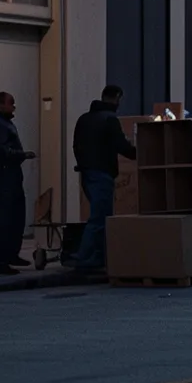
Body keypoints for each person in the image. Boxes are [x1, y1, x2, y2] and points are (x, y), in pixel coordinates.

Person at [72, 85, 138, 274]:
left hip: (86, 173)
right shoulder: (110, 120)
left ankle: (98, 258)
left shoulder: (84, 119)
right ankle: (84, 258)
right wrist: (141, 152)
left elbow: (76, 146)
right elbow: (122, 146)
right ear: (117, 98)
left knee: (99, 216)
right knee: (99, 218)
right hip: (102, 173)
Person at [0, 91, 37, 276]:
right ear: (0, 105)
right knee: (5, 219)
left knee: (16, 217)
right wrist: (22, 154)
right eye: (11, 103)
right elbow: (0, 151)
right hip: (4, 176)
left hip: (10, 176)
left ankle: (10, 254)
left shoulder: (3, 123)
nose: (14, 106)